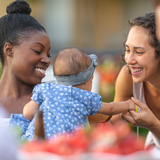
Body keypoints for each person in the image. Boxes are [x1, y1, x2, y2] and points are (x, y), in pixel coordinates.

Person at [21, 47, 135, 141]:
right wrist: (127, 105)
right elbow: (110, 108)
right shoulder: (86, 97)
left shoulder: (46, 88)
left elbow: (28, 113)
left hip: (37, 141)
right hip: (69, 145)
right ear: (86, 80)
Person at [111, 12, 160, 149]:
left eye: (139, 52)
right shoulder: (128, 76)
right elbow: (113, 122)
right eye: (127, 50)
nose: (129, 60)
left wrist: (153, 125)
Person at [0, 0, 51, 130]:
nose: (47, 60)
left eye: (48, 54)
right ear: (9, 50)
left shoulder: (52, 99)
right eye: (38, 51)